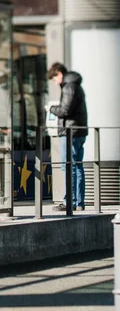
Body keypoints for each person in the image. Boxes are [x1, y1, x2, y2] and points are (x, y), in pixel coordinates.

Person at [47, 62, 88, 211]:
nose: (55, 82)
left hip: (71, 131)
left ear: (59, 73)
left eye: (54, 79)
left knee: (68, 166)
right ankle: (78, 202)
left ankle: (69, 201)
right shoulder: (76, 85)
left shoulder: (69, 86)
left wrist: (50, 108)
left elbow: (65, 110)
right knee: (77, 165)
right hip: (79, 131)